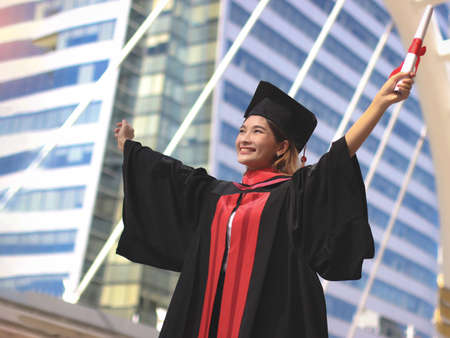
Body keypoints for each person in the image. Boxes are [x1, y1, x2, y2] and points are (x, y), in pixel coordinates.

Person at [114, 72, 414, 337]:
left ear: (281, 146)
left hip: (268, 320)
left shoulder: (292, 194)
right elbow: (168, 174)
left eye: (257, 131)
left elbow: (336, 161)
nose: (244, 138)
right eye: (243, 130)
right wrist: (130, 148)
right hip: (208, 320)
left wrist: (379, 105)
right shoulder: (216, 194)